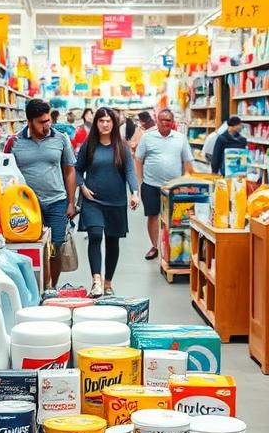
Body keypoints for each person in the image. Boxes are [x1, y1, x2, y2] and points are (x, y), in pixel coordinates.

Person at [8, 98, 78, 291]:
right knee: (30, 247)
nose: (47, 125)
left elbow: (69, 171)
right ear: (29, 121)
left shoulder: (61, 138)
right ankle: (34, 286)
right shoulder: (14, 142)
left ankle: (51, 288)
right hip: (26, 205)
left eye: (48, 120)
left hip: (57, 201)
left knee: (56, 247)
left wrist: (71, 202)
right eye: (41, 122)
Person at [75, 107, 139, 296]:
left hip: (116, 201)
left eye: (108, 121)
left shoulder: (122, 147)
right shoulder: (89, 146)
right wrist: (82, 187)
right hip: (93, 200)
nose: (105, 124)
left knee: (113, 241)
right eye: (101, 120)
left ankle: (108, 283)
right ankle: (96, 280)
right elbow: (77, 170)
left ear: (114, 123)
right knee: (95, 234)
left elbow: (129, 171)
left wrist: (134, 192)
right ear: (95, 123)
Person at [135, 108, 193, 261]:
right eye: (162, 120)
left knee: (176, 217)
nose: (165, 122)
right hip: (151, 184)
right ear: (157, 121)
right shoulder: (147, 137)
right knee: (153, 215)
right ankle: (155, 246)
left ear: (172, 122)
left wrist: (188, 182)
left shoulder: (180, 138)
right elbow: (138, 159)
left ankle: (172, 247)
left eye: (168, 120)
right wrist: (139, 183)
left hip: (174, 187)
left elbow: (187, 161)